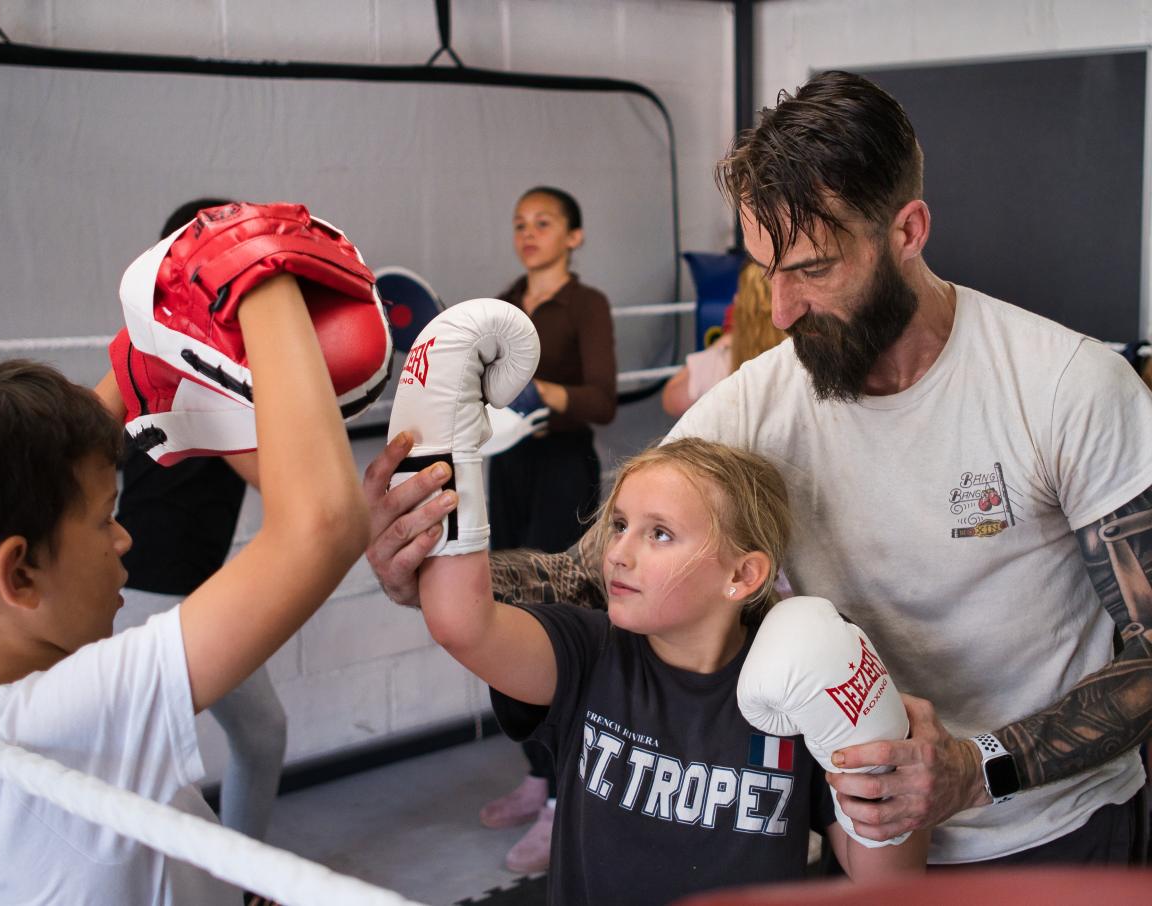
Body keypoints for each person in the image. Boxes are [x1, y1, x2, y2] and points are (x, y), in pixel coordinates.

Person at [366, 70, 1152, 868]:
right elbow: (588, 577)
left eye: (811, 269)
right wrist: (437, 567)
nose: (779, 311)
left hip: (1057, 833)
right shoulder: (751, 409)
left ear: (908, 231)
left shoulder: (1064, 387)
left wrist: (976, 769)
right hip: (863, 846)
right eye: (763, 270)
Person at [0, 261, 369, 899]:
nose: (123, 536)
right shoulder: (54, 724)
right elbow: (323, 526)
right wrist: (256, 275)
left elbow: (22, 461)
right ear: (19, 572)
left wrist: (155, 335)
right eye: (104, 519)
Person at [422, 434, 928, 902]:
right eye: (620, 525)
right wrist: (439, 449)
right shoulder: (586, 650)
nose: (618, 553)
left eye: (659, 534)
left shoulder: (800, 690)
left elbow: (890, 883)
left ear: (741, 574)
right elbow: (459, 624)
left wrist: (880, 747)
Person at [114, 198, 285, 840]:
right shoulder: (164, 361)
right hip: (147, 598)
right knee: (154, 776)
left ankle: (246, 874)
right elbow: (278, 479)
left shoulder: (191, 362)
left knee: (263, 734)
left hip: (195, 593)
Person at [480, 186, 618, 872]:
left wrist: (546, 393)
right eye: (519, 223)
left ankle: (568, 797)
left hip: (563, 468)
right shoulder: (503, 303)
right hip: (505, 468)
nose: (528, 233)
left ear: (575, 236)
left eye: (543, 222)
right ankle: (537, 775)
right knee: (500, 607)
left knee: (557, 618)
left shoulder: (585, 305)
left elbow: (604, 397)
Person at [661, 262, 785, 418]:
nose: (735, 297)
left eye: (741, 292)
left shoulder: (722, 358)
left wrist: (724, 341)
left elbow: (672, 400)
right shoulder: (800, 353)